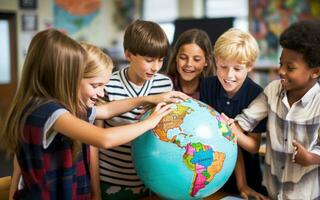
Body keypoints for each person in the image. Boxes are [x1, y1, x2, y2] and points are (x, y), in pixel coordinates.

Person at [0, 29, 184, 199]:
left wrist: (148, 99)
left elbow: (107, 110)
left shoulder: (66, 107)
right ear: (61, 74)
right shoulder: (49, 111)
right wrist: (151, 122)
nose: (102, 93)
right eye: (95, 85)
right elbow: (104, 138)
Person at [226, 20, 320, 199]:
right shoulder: (273, 90)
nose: (281, 71)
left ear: (316, 72)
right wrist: (231, 125)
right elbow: (247, 118)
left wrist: (311, 158)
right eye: (281, 63)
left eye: (290, 68)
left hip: (308, 194)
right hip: (273, 189)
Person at [90, 19, 176, 199]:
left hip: (150, 181)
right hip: (111, 181)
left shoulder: (165, 84)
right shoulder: (108, 85)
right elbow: (94, 143)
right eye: (149, 60)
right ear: (128, 55)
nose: (156, 67)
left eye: (161, 60)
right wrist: (95, 191)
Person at [200, 28, 268, 199]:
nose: (229, 75)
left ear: (250, 66)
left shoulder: (257, 95)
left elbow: (253, 146)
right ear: (216, 61)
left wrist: (235, 132)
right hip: (213, 170)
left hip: (249, 176)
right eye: (223, 66)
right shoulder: (208, 86)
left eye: (237, 69)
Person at [166, 28, 215, 99]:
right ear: (176, 57)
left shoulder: (213, 90)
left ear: (206, 61)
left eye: (196, 59)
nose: (189, 64)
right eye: (183, 57)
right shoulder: (161, 83)